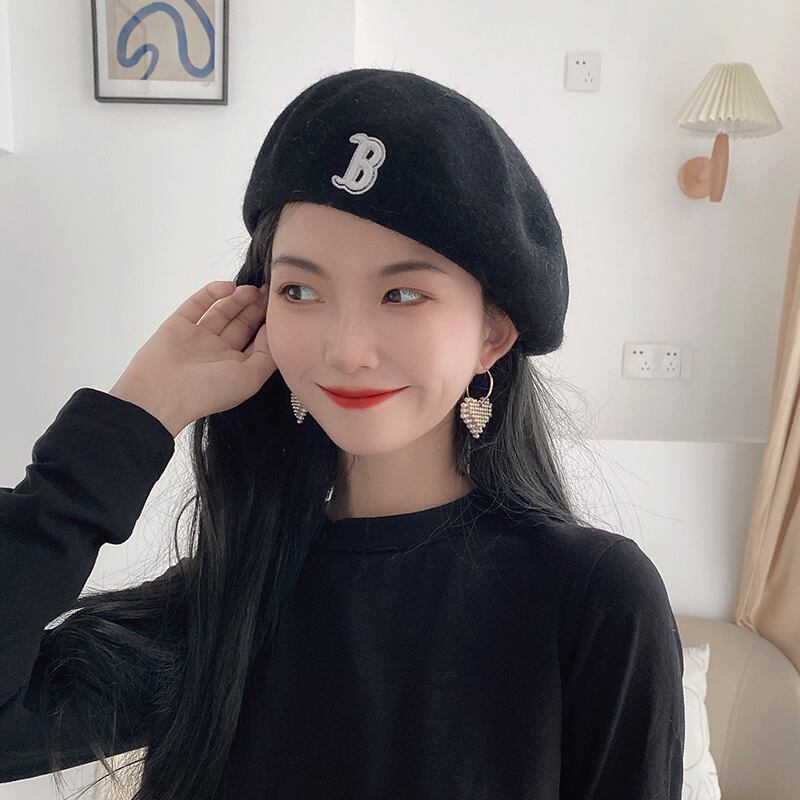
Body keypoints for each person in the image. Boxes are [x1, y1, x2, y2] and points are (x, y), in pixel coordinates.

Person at [0, 68, 685, 800]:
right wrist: (139, 411)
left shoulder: (595, 601)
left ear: (493, 334)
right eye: (301, 290)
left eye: (402, 293)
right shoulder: (227, 599)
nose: (347, 349)